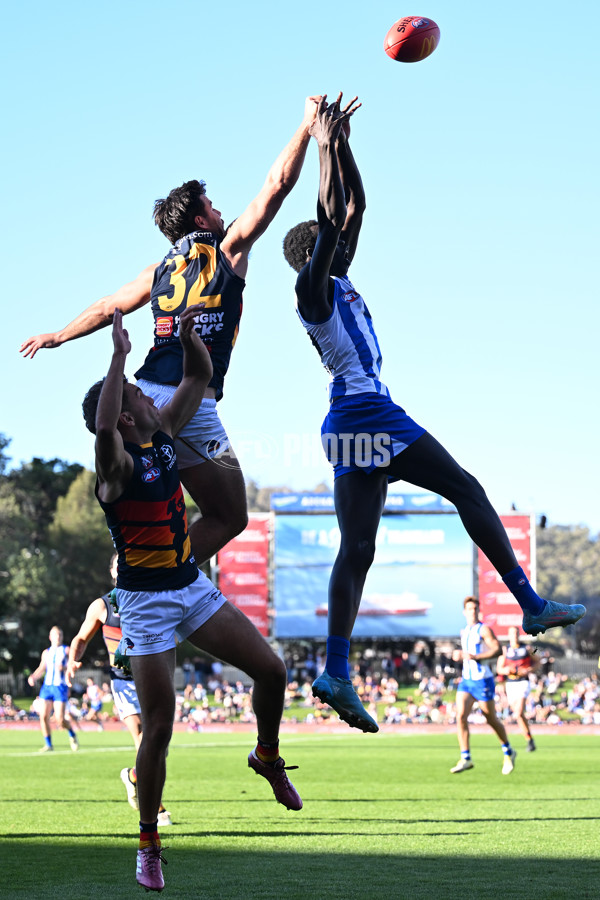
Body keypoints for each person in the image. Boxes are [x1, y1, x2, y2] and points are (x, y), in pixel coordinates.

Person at [282, 94, 586, 734]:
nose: (345, 243)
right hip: (368, 413)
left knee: (358, 549)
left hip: (349, 423)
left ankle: (336, 670)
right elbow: (332, 219)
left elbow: (353, 207)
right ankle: (528, 603)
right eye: (332, 245)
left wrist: (345, 142)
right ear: (316, 255)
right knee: (466, 488)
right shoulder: (313, 290)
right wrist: (321, 144)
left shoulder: (340, 281)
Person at [20, 96, 321, 567]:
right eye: (214, 207)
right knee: (230, 516)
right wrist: (307, 126)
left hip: (142, 397)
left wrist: (57, 336)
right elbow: (277, 185)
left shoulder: (157, 270)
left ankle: (137, 566)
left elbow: (105, 306)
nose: (222, 213)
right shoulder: (228, 250)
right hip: (190, 402)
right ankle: (153, 574)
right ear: (202, 221)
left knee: (154, 499)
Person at [83, 307, 301, 892]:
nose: (153, 399)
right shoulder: (115, 466)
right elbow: (105, 429)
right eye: (138, 396)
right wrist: (119, 359)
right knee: (159, 729)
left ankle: (267, 756)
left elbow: (198, 379)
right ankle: (148, 844)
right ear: (128, 412)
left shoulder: (162, 438)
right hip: (146, 604)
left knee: (272, 671)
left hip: (189, 585)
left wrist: (187, 339)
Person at [66, 554, 172, 826]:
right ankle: (157, 809)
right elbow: (81, 638)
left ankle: (134, 776)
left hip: (150, 679)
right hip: (123, 681)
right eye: (117, 564)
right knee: (143, 737)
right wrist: (72, 661)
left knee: (159, 745)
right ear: (113, 571)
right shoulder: (102, 606)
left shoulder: (150, 599)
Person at [450, 597, 516, 774]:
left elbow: (497, 649)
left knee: (491, 719)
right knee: (460, 716)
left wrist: (475, 657)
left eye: (475, 608)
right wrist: (459, 655)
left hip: (482, 680)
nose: (472, 611)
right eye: (469, 609)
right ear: (464, 612)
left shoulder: (483, 629)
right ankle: (466, 758)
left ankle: (508, 751)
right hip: (466, 680)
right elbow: (466, 654)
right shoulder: (465, 631)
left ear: (478, 611)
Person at [27, 626, 79, 752]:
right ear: (50, 637)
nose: (58, 637)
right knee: (43, 716)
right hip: (47, 687)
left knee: (60, 719)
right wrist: (33, 677)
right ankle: (48, 744)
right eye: (55, 635)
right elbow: (41, 667)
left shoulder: (66, 650)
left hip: (60, 687)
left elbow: (72, 665)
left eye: (60, 634)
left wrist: (65, 667)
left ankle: (72, 733)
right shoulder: (46, 652)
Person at [496, 625, 540, 751]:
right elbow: (499, 668)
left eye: (516, 633)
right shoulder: (505, 650)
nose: (514, 636)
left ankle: (529, 741)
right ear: (509, 636)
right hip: (511, 683)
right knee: (518, 715)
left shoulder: (527, 648)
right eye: (512, 634)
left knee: (519, 711)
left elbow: (538, 661)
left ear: (519, 635)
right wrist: (506, 670)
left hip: (523, 682)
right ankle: (529, 739)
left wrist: (529, 670)